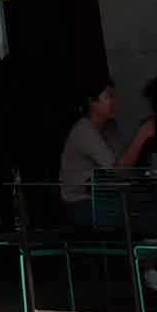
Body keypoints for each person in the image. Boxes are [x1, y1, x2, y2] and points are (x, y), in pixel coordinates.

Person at [56, 77, 121, 225]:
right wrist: (142, 136)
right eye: (109, 96)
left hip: (105, 198)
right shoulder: (84, 129)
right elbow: (117, 169)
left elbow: (124, 165)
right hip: (79, 204)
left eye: (115, 97)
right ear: (93, 101)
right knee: (128, 214)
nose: (115, 102)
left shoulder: (111, 128)